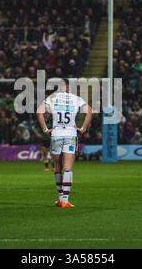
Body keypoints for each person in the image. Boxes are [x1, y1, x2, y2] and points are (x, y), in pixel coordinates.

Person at [36, 80, 93, 208]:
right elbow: (90, 111)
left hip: (56, 134)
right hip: (71, 134)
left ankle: (60, 198)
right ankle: (65, 200)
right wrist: (83, 128)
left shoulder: (53, 98)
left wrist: (45, 129)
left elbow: (39, 112)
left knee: (57, 165)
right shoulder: (76, 98)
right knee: (67, 168)